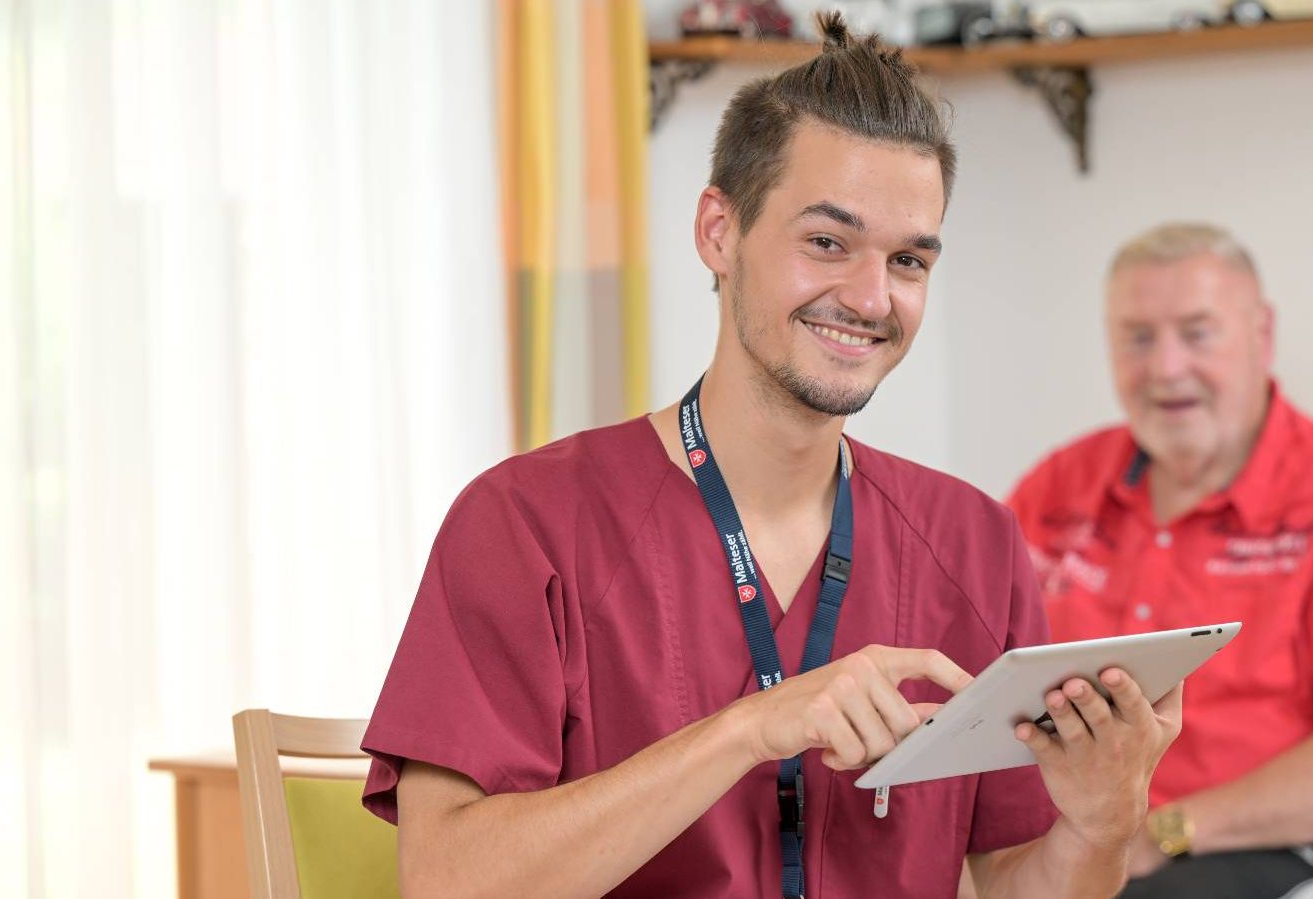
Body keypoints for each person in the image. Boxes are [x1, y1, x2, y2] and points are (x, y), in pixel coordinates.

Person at [361, 16, 1181, 899]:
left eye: (908, 260)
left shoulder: (973, 539)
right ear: (720, 230)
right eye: (827, 242)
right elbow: (446, 880)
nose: (871, 298)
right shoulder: (525, 524)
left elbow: (1018, 885)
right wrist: (752, 728)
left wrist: (1102, 824)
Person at [1007, 222, 1313, 899]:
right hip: (1084, 836)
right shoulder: (1059, 486)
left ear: (1261, 336)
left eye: (1197, 332)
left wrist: (1161, 832)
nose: (1166, 367)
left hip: (1270, 843)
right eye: (1138, 337)